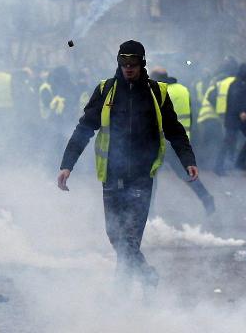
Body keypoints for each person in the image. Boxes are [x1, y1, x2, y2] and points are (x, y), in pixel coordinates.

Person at [57, 40, 198, 287]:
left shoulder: (158, 92)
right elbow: (84, 128)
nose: (128, 68)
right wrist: (67, 164)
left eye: (133, 64)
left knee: (130, 240)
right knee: (116, 236)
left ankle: (120, 295)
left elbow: (174, 130)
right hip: (111, 176)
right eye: (124, 64)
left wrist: (188, 160)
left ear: (142, 64)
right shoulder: (105, 90)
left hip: (142, 177)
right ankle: (146, 276)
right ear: (118, 63)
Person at [150, 67, 216, 215]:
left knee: (151, 178)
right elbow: (191, 115)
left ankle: (150, 212)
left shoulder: (158, 92)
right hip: (179, 142)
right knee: (186, 174)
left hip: (161, 142)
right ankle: (206, 198)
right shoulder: (183, 89)